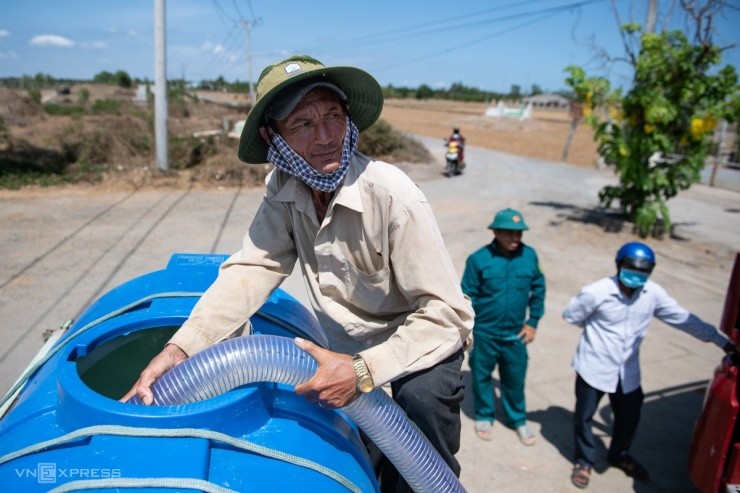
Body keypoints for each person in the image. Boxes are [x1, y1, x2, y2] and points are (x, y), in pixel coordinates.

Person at [122, 54, 474, 492]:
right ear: (274, 137)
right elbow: (254, 266)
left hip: (418, 342)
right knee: (363, 452)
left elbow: (448, 315)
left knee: (420, 425)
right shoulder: (284, 189)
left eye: (332, 117)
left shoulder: (392, 194)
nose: (325, 137)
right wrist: (181, 350)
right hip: (342, 347)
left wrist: (364, 370)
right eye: (302, 124)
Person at [563, 241, 737, 489]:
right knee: (584, 417)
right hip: (594, 368)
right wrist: (597, 338)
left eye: (642, 271)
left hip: (628, 373)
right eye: (630, 269)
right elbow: (572, 315)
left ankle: (619, 455)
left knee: (629, 417)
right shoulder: (596, 292)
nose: (635, 276)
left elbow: (684, 319)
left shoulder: (652, 294)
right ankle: (584, 460)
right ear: (618, 265)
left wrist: (722, 341)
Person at [460, 208, 545, 445]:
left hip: (515, 334)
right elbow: (466, 296)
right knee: (481, 375)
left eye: (519, 233)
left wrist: (533, 322)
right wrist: (467, 330)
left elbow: (539, 289)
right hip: (485, 333)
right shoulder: (478, 259)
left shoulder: (530, 257)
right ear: (495, 231)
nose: (515, 238)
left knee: (515, 378)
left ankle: (517, 419)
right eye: (508, 233)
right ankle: (485, 414)